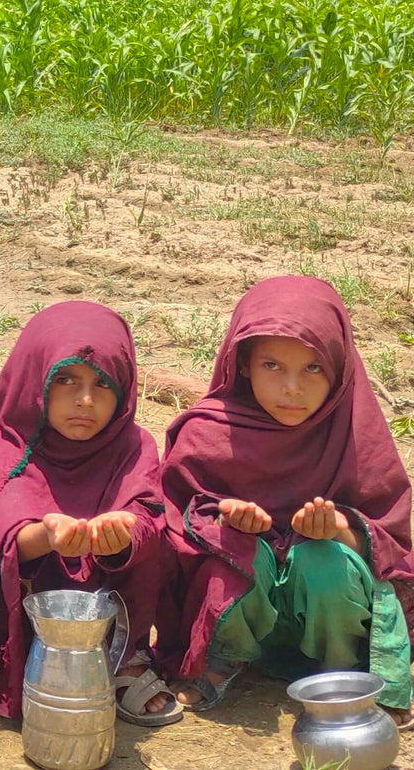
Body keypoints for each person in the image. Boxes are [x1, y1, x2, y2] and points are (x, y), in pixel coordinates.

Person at [158, 276, 414, 725]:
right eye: (272, 366)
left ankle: (340, 673)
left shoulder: (356, 436)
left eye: (312, 368)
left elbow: (393, 551)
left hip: (327, 614)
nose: (292, 388)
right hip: (243, 605)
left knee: (324, 560)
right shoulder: (209, 434)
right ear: (242, 365)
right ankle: (223, 659)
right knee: (238, 553)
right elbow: (171, 535)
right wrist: (224, 521)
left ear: (340, 367)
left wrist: (339, 530)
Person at [0, 301, 183, 726]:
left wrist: (123, 535)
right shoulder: (10, 447)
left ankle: (125, 659)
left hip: (105, 608)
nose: (84, 401)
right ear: (35, 381)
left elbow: (146, 511)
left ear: (124, 389)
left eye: (102, 385)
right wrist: (46, 536)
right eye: (65, 380)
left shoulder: (134, 446)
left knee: (159, 533)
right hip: (27, 599)